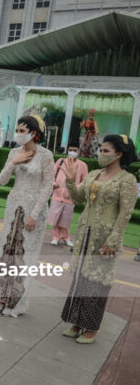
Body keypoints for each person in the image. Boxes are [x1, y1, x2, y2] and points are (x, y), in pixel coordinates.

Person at [60, 134, 137, 343]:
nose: (100, 154)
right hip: (85, 234)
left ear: (119, 154)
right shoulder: (94, 174)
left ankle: (91, 328)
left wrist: (114, 240)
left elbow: (125, 213)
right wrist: (70, 178)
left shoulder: (127, 180)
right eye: (100, 150)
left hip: (105, 238)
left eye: (105, 151)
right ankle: (76, 322)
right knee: (80, 280)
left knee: (97, 283)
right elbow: (77, 199)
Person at [0, 115, 54, 317]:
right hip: (13, 207)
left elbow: (47, 186)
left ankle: (15, 301)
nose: (18, 134)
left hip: (34, 210)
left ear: (34, 133)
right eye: (17, 130)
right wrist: (13, 162)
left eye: (22, 131)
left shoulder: (46, 155)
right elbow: (2, 180)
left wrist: (35, 214)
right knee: (6, 251)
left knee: (24, 256)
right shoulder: (14, 152)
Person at [48, 142, 88, 247]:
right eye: (70, 150)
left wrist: (75, 188)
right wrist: (54, 184)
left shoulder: (82, 165)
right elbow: (51, 174)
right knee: (55, 217)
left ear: (79, 151)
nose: (72, 152)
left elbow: (85, 180)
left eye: (75, 150)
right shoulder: (60, 161)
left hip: (70, 197)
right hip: (57, 194)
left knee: (66, 219)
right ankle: (55, 237)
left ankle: (66, 238)